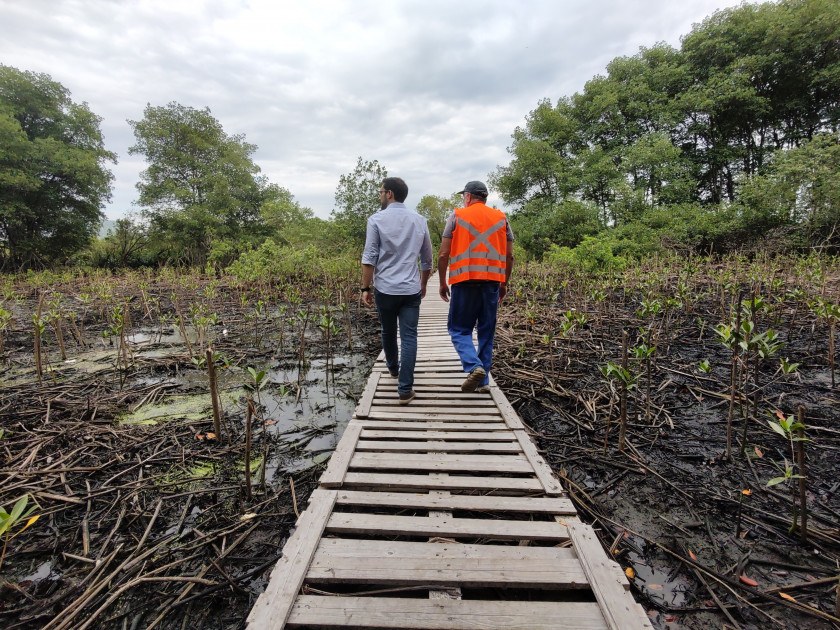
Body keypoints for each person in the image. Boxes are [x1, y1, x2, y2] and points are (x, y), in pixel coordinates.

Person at [361, 177, 433, 405]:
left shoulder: (376, 220)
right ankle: (405, 389)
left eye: (381, 191)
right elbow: (427, 258)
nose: (380, 195)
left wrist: (365, 287)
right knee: (409, 336)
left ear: (389, 193)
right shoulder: (420, 220)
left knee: (388, 331)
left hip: (385, 288)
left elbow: (369, 256)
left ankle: (393, 369)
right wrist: (423, 284)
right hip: (410, 289)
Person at [438, 180, 514, 393]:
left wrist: (443, 282)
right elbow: (509, 255)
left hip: (464, 281)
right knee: (486, 332)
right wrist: (504, 283)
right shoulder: (502, 218)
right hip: (491, 282)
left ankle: (474, 366)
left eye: (464, 196)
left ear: (468, 197)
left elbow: (444, 253)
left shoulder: (456, 216)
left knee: (459, 329)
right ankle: (483, 382)